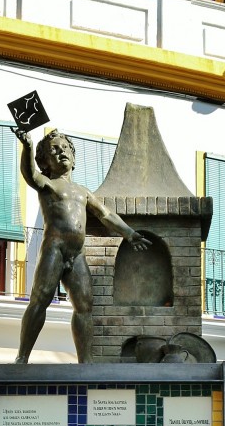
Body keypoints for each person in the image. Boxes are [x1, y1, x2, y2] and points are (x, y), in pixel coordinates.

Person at [14, 128, 149, 363]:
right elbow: (30, 175)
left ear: (74, 158)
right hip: (54, 249)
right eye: (54, 150)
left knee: (85, 305)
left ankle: (85, 361)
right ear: (45, 161)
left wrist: (129, 233)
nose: (61, 152)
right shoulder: (48, 183)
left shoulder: (83, 192)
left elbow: (105, 214)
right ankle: (22, 357)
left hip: (77, 255)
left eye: (65, 148)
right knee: (40, 299)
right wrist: (27, 146)